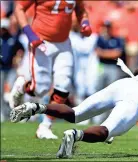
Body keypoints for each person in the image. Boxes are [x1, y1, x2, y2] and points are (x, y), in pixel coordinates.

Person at [10, 54, 138, 158]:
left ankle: (36, 107)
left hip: (125, 84)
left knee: (75, 113)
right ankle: (76, 135)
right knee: (106, 131)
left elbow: (137, 70)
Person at [9, 0, 92, 139]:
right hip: (41, 41)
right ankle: (22, 87)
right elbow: (19, 8)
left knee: (64, 86)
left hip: (64, 43)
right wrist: (30, 34)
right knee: (40, 89)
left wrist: (85, 23)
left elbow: (81, 9)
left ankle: (45, 126)